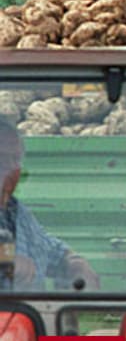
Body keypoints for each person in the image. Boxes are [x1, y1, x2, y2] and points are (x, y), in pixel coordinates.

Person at [0, 118, 100, 291]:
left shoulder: (16, 213)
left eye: (15, 160)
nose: (10, 168)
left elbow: (50, 250)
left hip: (26, 317)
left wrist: (73, 263)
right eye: (1, 158)